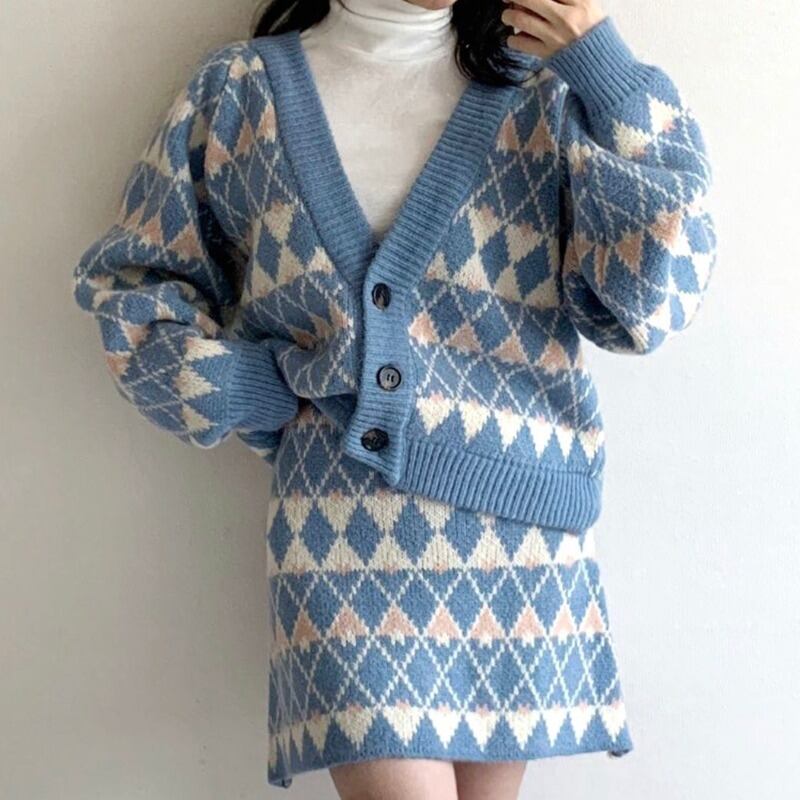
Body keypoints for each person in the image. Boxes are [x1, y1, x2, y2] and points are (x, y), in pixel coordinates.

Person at [71, 0, 716, 796]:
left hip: (520, 534)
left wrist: (608, 78)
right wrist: (246, 387)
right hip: (341, 533)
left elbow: (655, 300)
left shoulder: (540, 92)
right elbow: (133, 288)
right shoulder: (240, 91)